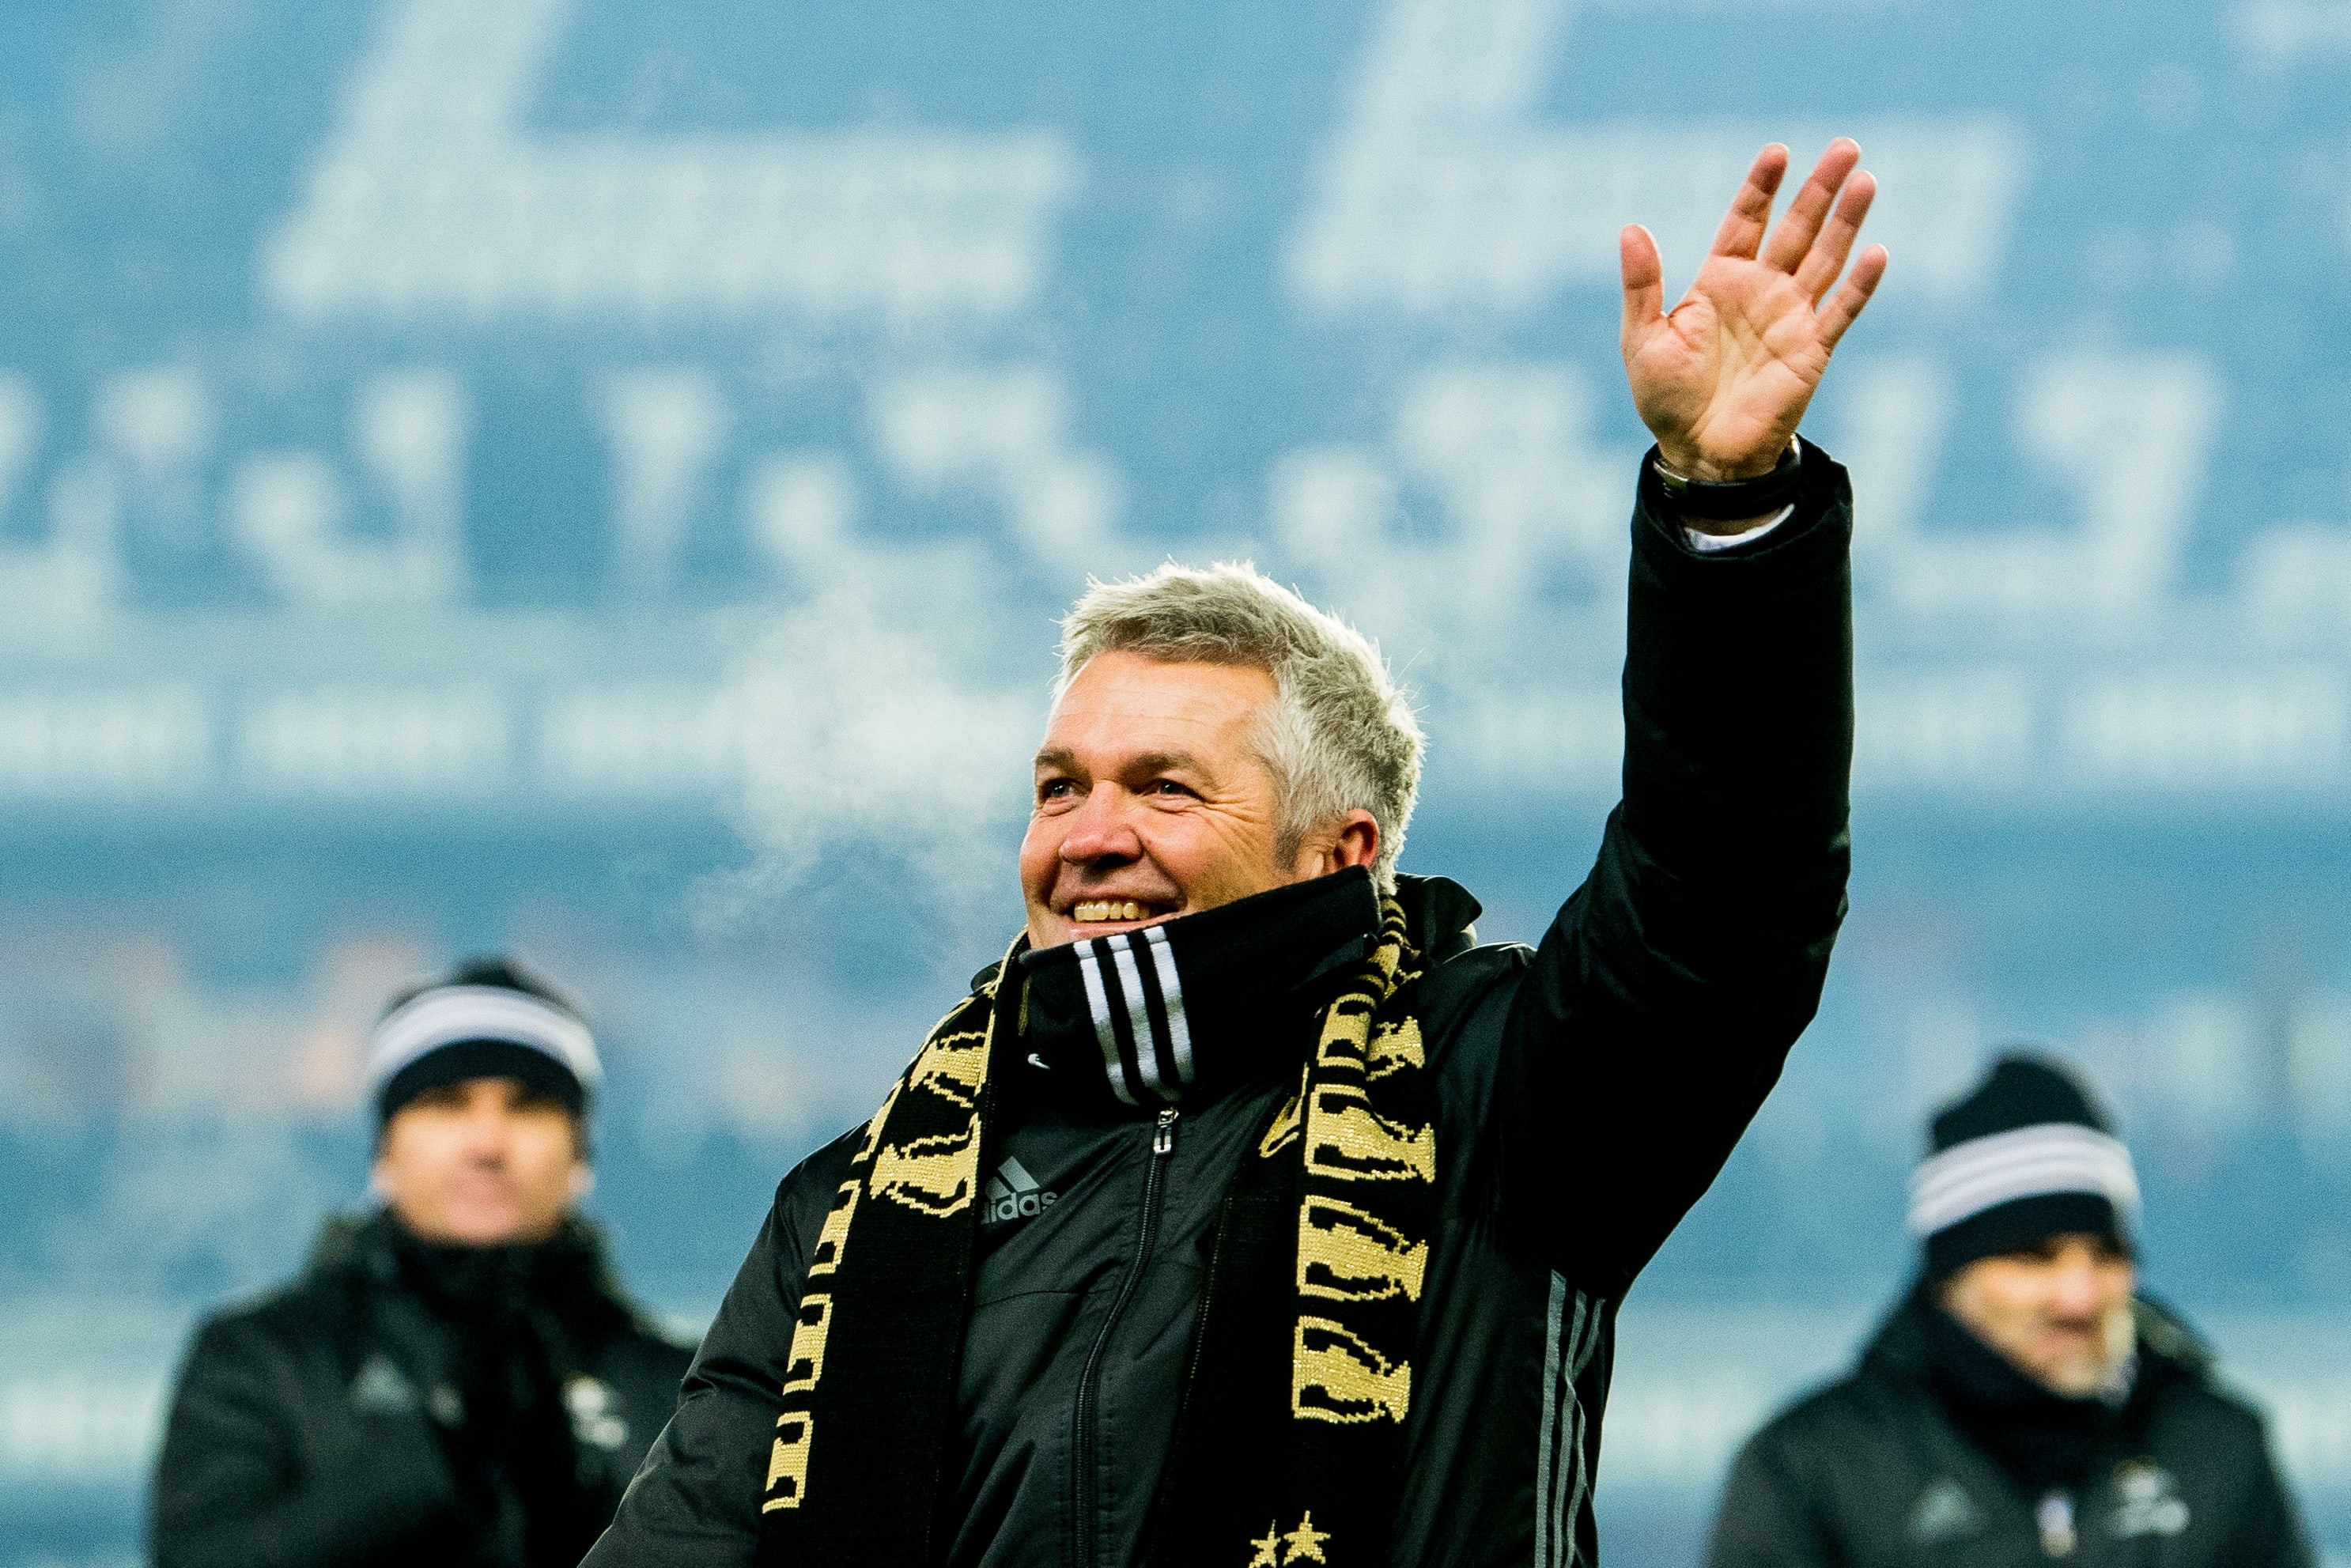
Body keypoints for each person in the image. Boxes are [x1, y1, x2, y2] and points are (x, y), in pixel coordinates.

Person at [589, 138, 1882, 1568]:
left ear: (1339, 850)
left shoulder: (1499, 1096)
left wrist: (1726, 506)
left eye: (1164, 788)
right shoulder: (859, 1202)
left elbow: (1721, 897)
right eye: (1060, 786)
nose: (1091, 835)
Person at [149, 958, 694, 1568]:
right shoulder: (263, 1360)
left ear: (580, 1155)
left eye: (527, 1105)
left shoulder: (683, 1390)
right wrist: (434, 1460)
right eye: (446, 1102)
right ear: (384, 1150)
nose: (486, 1142)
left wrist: (572, 1482)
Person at [1707, 1053, 2314, 1568]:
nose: (2078, 1296)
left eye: (2106, 1254)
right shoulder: (1814, 1468)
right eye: (2032, 1257)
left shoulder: (2219, 1447)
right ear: (1949, 1278)